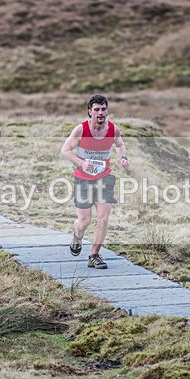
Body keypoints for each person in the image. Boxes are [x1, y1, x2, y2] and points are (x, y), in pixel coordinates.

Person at [61, 94, 129, 269]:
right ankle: (77, 235)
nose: (100, 113)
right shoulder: (81, 130)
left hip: (104, 178)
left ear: (107, 111)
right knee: (84, 222)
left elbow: (120, 144)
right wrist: (82, 163)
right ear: (90, 112)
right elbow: (65, 150)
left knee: (103, 219)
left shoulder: (113, 130)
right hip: (83, 180)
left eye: (103, 109)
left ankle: (94, 255)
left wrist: (123, 158)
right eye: (96, 109)